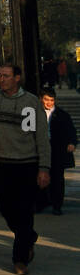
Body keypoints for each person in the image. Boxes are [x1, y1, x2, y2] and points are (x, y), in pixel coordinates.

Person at [0, 64, 50, 274]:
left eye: (6, 76)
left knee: (24, 212)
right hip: (4, 165)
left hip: (27, 165)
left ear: (17, 78)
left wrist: (44, 168)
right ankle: (28, 237)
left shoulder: (30, 103)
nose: (1, 79)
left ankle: (20, 259)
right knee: (6, 208)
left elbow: (41, 137)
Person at [38, 86, 76, 216]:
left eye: (52, 100)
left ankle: (57, 205)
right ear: (40, 99)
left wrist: (71, 143)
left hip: (57, 151)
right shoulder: (33, 114)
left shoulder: (62, 115)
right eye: (46, 99)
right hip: (40, 149)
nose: (49, 102)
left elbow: (71, 131)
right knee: (39, 176)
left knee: (57, 178)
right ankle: (41, 203)